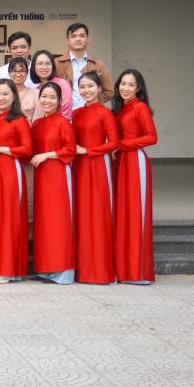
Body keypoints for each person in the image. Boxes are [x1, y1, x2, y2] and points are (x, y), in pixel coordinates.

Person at [0, 79, 33, 284]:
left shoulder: (19, 120)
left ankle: (10, 269)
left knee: (9, 217)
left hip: (11, 171)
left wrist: (3, 149)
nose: (0, 98)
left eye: (5, 94)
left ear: (14, 97)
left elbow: (28, 149)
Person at [73, 72, 119, 285]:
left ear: (99, 88)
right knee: (82, 215)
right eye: (82, 87)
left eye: (90, 86)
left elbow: (113, 143)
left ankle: (101, 270)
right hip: (79, 167)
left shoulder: (105, 113)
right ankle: (83, 269)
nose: (86, 91)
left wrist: (88, 150)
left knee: (99, 214)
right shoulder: (76, 113)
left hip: (99, 165)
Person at [113, 69, 157, 284]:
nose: (125, 88)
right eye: (122, 83)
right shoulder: (120, 109)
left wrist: (122, 145)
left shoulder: (140, 108)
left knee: (136, 214)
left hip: (135, 162)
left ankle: (139, 272)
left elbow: (151, 137)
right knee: (123, 215)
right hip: (120, 162)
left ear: (138, 88)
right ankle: (124, 269)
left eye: (130, 85)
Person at [31, 82, 77, 285]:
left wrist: (47, 155)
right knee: (44, 221)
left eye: (52, 97)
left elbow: (70, 150)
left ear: (60, 101)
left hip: (58, 173)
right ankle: (46, 268)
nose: (47, 101)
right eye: (44, 96)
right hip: (41, 176)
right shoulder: (37, 124)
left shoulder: (63, 122)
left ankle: (63, 270)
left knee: (59, 220)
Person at [55, 23, 115, 110]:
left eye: (82, 36)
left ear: (88, 39)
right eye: (73, 36)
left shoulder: (97, 64)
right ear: (67, 40)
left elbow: (109, 91)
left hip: (89, 114)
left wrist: (92, 101)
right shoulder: (57, 63)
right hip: (64, 114)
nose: (78, 39)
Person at [30, 50, 72, 121]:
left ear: (52, 66)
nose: (44, 67)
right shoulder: (36, 89)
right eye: (40, 64)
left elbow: (66, 112)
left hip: (60, 126)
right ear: (34, 67)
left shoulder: (62, 84)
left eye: (48, 64)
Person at [8, 57, 38, 123]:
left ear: (27, 73)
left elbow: (37, 121)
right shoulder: (4, 93)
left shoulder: (36, 93)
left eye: (22, 71)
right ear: (9, 73)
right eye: (14, 71)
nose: (18, 74)